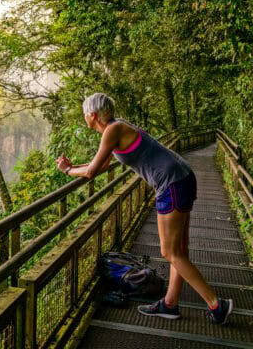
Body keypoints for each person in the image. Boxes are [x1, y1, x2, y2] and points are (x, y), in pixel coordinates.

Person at [55, 93, 233, 324]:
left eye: (84, 114)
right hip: (181, 176)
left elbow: (90, 173)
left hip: (171, 183)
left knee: (170, 252)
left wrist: (68, 171)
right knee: (178, 249)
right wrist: (72, 167)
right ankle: (170, 304)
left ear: (93, 115)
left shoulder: (113, 130)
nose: (84, 118)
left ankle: (217, 305)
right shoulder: (116, 128)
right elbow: (101, 165)